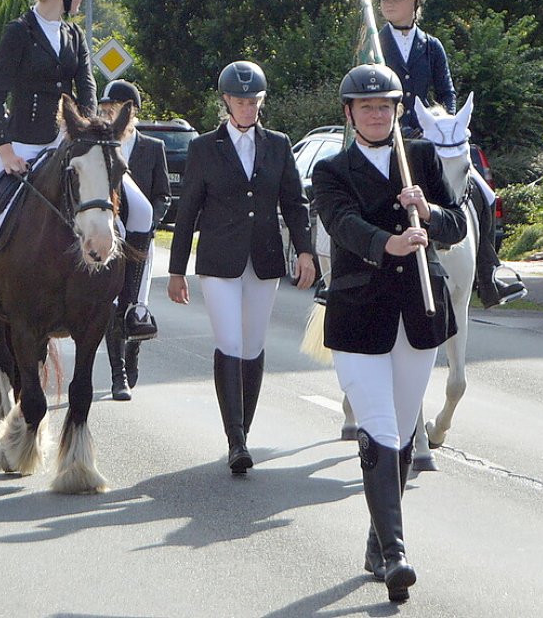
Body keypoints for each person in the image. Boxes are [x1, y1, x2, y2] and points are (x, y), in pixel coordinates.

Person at [311, 63, 466, 604]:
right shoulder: (331, 169)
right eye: (367, 107)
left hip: (419, 313)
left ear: (399, 111)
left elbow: (460, 221)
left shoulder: (420, 158)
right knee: (377, 426)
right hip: (359, 315)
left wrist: (430, 211)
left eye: (386, 106)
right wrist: (387, 242)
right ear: (350, 113)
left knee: (402, 431)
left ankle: (378, 540)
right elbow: (341, 224)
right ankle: (398, 553)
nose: (377, 115)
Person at [0, 0, 159, 344]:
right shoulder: (18, 32)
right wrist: (4, 149)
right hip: (23, 146)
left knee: (143, 211)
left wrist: (88, 137)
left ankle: (133, 307)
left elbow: (85, 91)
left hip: (71, 145)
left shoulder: (74, 35)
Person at [167, 60, 316, 473]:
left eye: (253, 101)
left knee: (252, 346)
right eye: (240, 101)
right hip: (219, 261)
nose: (248, 108)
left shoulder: (279, 144)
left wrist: (304, 251)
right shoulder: (203, 148)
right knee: (229, 342)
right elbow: (188, 211)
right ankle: (235, 439)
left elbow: (294, 203)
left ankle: (242, 433)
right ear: (226, 102)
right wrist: (177, 269)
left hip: (264, 258)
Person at [98, 79, 171, 400]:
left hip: (140, 240)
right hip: (109, 238)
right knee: (112, 304)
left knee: (135, 303)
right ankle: (118, 375)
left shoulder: (153, 148)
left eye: (113, 110)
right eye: (104, 110)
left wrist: (151, 222)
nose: (107, 115)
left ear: (130, 113)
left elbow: (163, 195)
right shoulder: (99, 147)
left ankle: (134, 352)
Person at [372, 0, 455, 138]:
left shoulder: (432, 46)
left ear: (415, 0)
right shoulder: (374, 45)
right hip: (386, 135)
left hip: (426, 136)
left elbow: (446, 93)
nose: (389, 4)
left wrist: (445, 126)